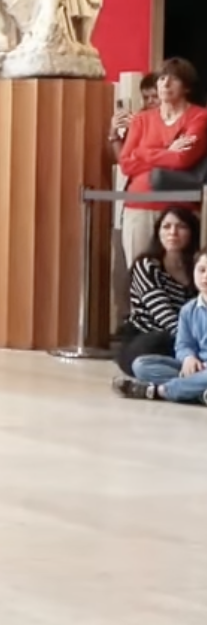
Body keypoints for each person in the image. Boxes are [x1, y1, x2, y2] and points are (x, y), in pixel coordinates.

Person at [117, 58, 207, 267]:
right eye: (162, 79)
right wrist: (166, 152)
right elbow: (126, 164)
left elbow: (183, 158)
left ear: (186, 87)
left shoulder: (199, 117)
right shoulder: (142, 119)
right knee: (139, 274)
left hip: (179, 206)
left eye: (173, 79)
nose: (165, 84)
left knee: (180, 276)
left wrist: (143, 152)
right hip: (138, 204)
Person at [115, 248, 207, 404]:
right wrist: (188, 358)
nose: (205, 277)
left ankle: (161, 391)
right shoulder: (188, 310)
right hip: (194, 368)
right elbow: (183, 344)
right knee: (142, 365)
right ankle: (199, 393)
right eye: (202, 270)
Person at [114, 207, 198, 375]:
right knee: (155, 346)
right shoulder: (147, 266)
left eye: (181, 227)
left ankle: (191, 377)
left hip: (184, 342)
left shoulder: (197, 268)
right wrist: (190, 346)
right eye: (166, 227)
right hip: (147, 338)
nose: (173, 232)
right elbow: (164, 315)